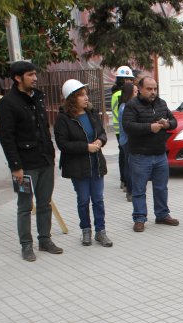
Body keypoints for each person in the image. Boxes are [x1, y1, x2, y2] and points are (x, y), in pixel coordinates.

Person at [0, 61, 63, 262]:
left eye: (35, 74)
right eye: (30, 75)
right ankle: (26, 245)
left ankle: (45, 239)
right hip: (24, 165)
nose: (35, 78)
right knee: (25, 205)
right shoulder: (8, 103)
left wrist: (51, 154)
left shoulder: (38, 98)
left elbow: (44, 127)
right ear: (18, 78)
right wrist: (15, 166)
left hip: (45, 160)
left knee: (45, 203)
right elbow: (6, 137)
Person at [54, 79, 112, 248]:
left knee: (98, 199)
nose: (86, 98)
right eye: (81, 95)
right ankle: (86, 230)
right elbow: (63, 144)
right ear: (72, 98)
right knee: (83, 200)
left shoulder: (92, 114)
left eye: (86, 94)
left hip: (96, 164)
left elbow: (102, 133)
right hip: (77, 166)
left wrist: (100, 142)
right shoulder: (63, 119)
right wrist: (86, 147)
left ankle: (101, 231)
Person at [122, 76, 179, 232]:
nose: (153, 92)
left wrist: (168, 124)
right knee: (139, 189)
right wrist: (149, 127)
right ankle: (139, 218)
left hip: (160, 154)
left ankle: (162, 215)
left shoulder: (161, 103)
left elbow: (174, 121)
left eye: (155, 89)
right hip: (140, 155)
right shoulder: (132, 105)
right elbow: (127, 126)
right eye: (149, 89)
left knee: (161, 188)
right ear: (140, 89)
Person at [111, 66, 135, 192]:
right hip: (124, 130)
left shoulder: (115, 93)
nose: (130, 82)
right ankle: (127, 183)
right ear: (123, 80)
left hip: (118, 129)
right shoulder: (123, 94)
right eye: (128, 79)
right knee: (126, 157)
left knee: (122, 155)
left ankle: (123, 180)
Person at [117, 82, 138, 202]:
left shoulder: (126, 106)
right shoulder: (125, 107)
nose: (137, 94)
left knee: (128, 165)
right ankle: (130, 191)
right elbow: (128, 126)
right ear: (129, 94)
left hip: (126, 140)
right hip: (128, 140)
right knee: (130, 166)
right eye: (135, 92)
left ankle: (128, 188)